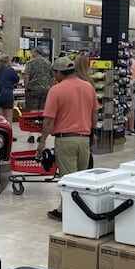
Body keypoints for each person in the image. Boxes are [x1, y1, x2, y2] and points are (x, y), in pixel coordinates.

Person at [37, 57, 100, 221]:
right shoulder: (88, 87)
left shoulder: (56, 90)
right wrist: (93, 134)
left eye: (55, 72)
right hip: (84, 139)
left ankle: (69, 214)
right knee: (81, 178)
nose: (54, 76)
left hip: (66, 141)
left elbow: (49, 119)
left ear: (59, 72)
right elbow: (94, 114)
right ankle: (68, 209)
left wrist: (42, 141)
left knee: (68, 180)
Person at [23, 47, 53, 142]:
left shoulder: (30, 63)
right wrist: (50, 87)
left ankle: (32, 134)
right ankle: (41, 134)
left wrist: (26, 88)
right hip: (46, 90)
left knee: (33, 112)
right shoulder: (48, 63)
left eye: (32, 52)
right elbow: (53, 77)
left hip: (33, 90)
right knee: (42, 113)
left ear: (36, 52)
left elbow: (26, 76)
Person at [0, 55, 20, 140]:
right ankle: (9, 135)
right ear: (7, 62)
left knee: (0, 117)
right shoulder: (11, 70)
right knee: (8, 117)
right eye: (10, 60)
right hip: (8, 95)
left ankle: (0, 135)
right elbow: (17, 80)